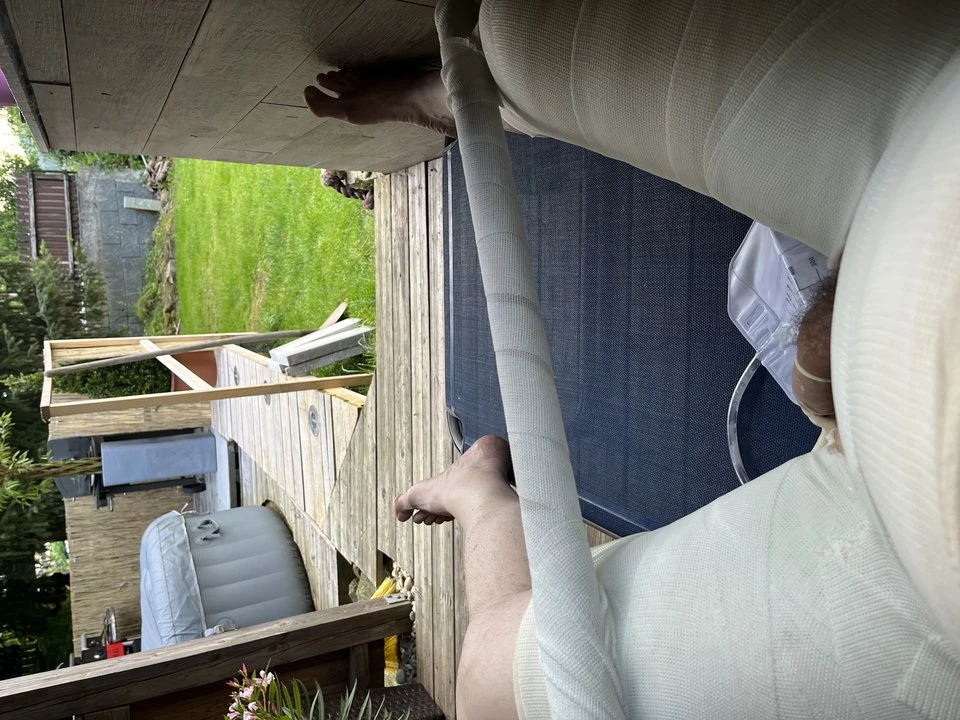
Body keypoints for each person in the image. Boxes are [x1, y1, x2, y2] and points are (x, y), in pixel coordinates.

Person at [307, 2, 960, 718]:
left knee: (485, 685)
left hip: (913, 564)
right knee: (524, 34)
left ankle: (477, 490)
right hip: (925, 153)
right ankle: (464, 99)